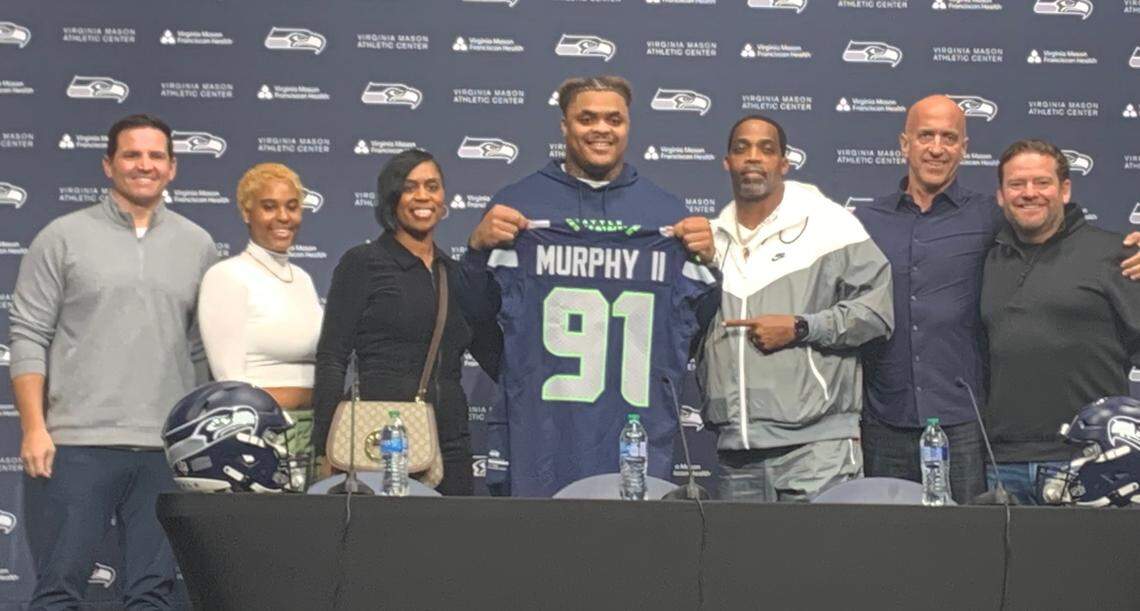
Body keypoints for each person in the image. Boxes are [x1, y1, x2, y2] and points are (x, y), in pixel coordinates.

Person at [856, 95, 1140, 504]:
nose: (937, 147)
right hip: (900, 426)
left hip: (988, 434)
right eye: (926, 135)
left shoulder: (993, 219)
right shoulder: (866, 223)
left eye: (949, 137)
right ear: (904, 144)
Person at [457, 74, 720, 497]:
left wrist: (710, 262)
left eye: (613, 119)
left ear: (628, 125)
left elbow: (697, 325)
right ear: (564, 125)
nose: (601, 129)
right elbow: (475, 317)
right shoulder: (520, 205)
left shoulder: (665, 214)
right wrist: (475, 250)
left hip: (635, 441)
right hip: (540, 441)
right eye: (587, 118)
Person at [8, 114, 217, 608]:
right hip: (77, 446)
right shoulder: (61, 238)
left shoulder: (199, 245)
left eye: (155, 156)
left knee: (152, 595)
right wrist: (34, 427)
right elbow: (28, 335)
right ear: (109, 164)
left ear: (172, 168)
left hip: (164, 452)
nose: (144, 165)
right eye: (131, 154)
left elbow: (201, 349)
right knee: (59, 590)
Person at [701, 114, 894, 502]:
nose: (753, 158)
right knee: (740, 565)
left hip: (816, 449)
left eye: (766, 149)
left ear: (784, 163)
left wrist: (802, 327)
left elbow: (877, 312)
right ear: (727, 162)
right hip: (737, 450)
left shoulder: (829, 224)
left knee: (820, 563)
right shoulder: (712, 239)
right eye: (741, 149)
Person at [311, 149, 488, 496]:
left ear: (443, 199)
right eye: (410, 187)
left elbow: (496, 355)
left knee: (448, 547)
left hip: (451, 443)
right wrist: (325, 445)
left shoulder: (455, 275)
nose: (423, 196)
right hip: (379, 440)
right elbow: (332, 357)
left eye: (432, 186)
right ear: (392, 198)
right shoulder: (363, 263)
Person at [980, 139, 1140, 505]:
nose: (1029, 193)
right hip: (1003, 466)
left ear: (1064, 189)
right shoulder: (988, 261)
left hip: (1092, 461)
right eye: (1016, 185)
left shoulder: (1117, 255)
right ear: (1001, 196)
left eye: (1042, 182)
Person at [196, 163, 324, 488]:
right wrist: (298, 397)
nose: (283, 217)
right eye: (269, 207)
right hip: (258, 439)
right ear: (245, 212)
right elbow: (232, 389)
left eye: (292, 207)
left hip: (311, 437)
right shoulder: (227, 277)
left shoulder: (304, 280)